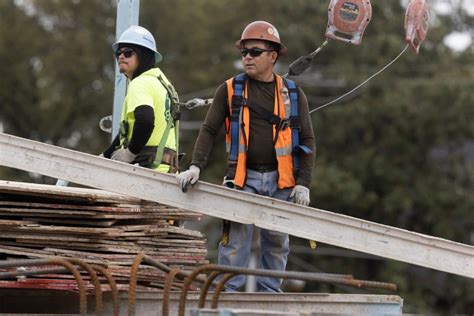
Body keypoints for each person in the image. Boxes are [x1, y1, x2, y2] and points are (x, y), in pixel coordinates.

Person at [177, 21, 315, 292]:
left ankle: (268, 300)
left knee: (276, 242)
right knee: (235, 240)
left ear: (273, 56)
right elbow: (208, 130)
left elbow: (308, 139)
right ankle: (228, 298)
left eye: (255, 52)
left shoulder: (293, 94)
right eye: (244, 52)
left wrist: (304, 183)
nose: (247, 57)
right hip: (243, 179)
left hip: (281, 181)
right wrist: (195, 166)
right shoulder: (229, 90)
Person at [102, 25, 179, 173]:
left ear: (143, 55)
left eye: (128, 52)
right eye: (118, 53)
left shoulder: (140, 83)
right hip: (167, 170)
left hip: (147, 171)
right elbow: (128, 132)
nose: (121, 57)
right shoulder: (164, 84)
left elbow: (145, 121)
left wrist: (129, 153)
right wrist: (105, 156)